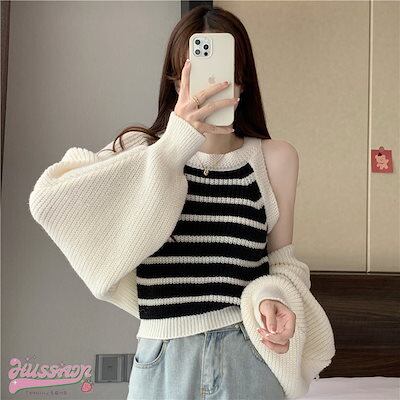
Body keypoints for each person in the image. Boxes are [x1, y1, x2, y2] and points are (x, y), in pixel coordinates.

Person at [28, 5, 335, 400]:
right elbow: (49, 201)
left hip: (248, 356)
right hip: (162, 361)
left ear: (242, 82)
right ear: (176, 81)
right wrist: (174, 145)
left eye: (224, 74)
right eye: (195, 73)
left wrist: (274, 298)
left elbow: (283, 264)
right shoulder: (142, 152)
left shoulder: (274, 159)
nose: (211, 86)